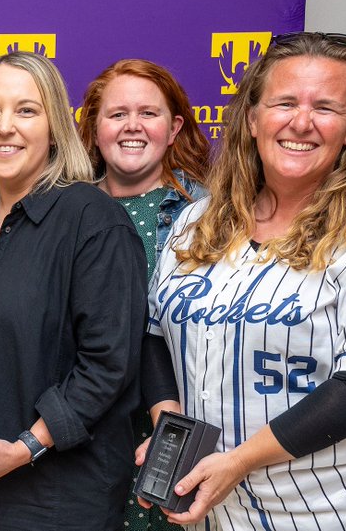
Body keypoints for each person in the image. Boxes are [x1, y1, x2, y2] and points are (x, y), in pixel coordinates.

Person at [143, 32, 346, 530]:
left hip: (334, 507)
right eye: (285, 102)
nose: (301, 122)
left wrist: (238, 461)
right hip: (216, 506)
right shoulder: (195, 221)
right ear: (252, 118)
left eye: (325, 107)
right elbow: (155, 335)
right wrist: (170, 432)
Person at [0, 51, 146, 531]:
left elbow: (108, 364)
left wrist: (26, 446)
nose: (4, 127)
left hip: (57, 496)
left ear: (54, 126)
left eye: (26, 110)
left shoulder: (94, 221)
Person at [78, 59, 209, 530]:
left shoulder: (211, 217)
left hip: (173, 426)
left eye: (148, 114)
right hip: (84, 430)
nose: (132, 126)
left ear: (173, 129)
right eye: (117, 114)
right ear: (95, 129)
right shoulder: (65, 211)